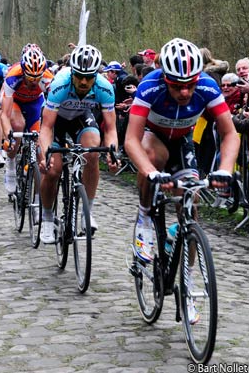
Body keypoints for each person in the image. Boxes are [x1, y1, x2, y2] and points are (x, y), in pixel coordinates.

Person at [124, 38, 239, 322]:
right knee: (152, 154)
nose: (185, 91)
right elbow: (131, 140)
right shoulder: (150, 86)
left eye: (190, 83)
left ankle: (186, 288)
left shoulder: (208, 87)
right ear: (165, 78)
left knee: (191, 204)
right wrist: (149, 172)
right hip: (154, 140)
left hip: (183, 142)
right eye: (177, 85)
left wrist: (225, 169)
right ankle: (145, 218)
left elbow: (229, 134)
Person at [38, 44, 119, 244]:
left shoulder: (104, 87)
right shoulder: (60, 84)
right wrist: (46, 154)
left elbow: (110, 129)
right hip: (56, 121)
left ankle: (86, 212)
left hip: (81, 118)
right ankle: (47, 218)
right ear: (72, 72)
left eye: (89, 77)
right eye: (79, 76)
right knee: (53, 170)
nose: (84, 81)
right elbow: (46, 127)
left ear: (96, 75)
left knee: (93, 152)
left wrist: (112, 152)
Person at [1, 46, 54, 195]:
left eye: (37, 78)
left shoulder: (48, 78)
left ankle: (38, 200)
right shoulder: (13, 75)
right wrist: (8, 135)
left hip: (34, 103)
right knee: (18, 125)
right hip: (15, 101)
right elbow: (4, 114)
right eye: (30, 78)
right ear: (23, 72)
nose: (34, 82)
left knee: (41, 148)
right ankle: (11, 165)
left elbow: (54, 109)